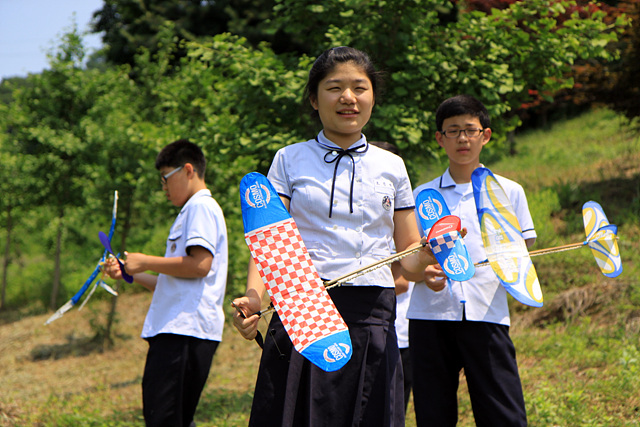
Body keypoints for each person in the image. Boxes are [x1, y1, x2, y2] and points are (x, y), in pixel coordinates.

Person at [232, 46, 436, 427]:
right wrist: (255, 298)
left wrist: (428, 254)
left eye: (359, 87)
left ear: (372, 97)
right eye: (334, 87)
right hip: (302, 309)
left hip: (372, 315)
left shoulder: (392, 166)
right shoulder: (288, 160)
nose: (348, 97)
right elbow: (269, 241)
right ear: (314, 98)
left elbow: (408, 255)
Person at [405, 94, 535, 426]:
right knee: (433, 414)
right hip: (430, 316)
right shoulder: (421, 196)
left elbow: (524, 252)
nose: (462, 138)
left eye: (470, 130)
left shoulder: (509, 192)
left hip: (487, 312)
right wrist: (425, 272)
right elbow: (408, 263)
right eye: (453, 131)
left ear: (485, 135)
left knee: (503, 413)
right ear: (440, 138)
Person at [104, 139, 228, 427]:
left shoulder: (201, 207)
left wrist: (146, 261)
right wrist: (128, 272)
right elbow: (173, 282)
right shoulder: (191, 211)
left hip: (184, 331)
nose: (164, 187)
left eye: (165, 178)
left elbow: (200, 265)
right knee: (171, 419)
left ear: (188, 170)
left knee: (165, 419)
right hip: (178, 330)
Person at [369, 140, 414, 414]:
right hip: (370, 327)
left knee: (390, 408)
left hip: (397, 330)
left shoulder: (403, 217)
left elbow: (402, 282)